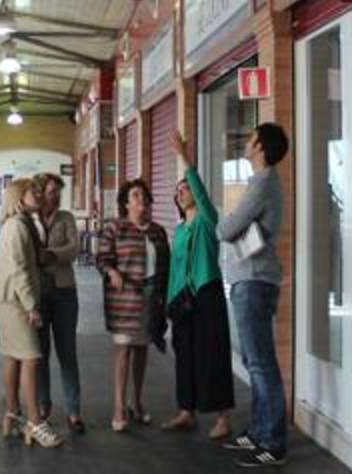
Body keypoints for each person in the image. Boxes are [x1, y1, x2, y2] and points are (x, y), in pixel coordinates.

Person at [215, 123, 290, 468]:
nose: (245, 143)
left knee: (260, 363)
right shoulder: (262, 182)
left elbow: (227, 229)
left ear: (260, 145)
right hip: (252, 279)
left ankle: (273, 441)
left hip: (254, 280)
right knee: (254, 361)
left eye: (249, 138)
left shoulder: (261, 183)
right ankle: (259, 431)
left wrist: (228, 221)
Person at [162, 130, 234, 440]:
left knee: (213, 354)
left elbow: (201, 194)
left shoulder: (207, 221)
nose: (181, 192)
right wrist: (168, 303)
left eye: (185, 188)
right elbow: (174, 271)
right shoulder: (179, 231)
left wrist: (185, 159)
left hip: (207, 294)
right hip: (183, 299)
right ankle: (186, 411)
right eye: (177, 190)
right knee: (186, 355)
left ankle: (221, 418)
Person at [0, 178, 64, 448]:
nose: (39, 194)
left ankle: (11, 415)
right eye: (34, 190)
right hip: (15, 300)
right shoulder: (18, 226)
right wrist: (32, 306)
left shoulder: (15, 223)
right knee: (31, 357)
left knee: (13, 357)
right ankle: (34, 421)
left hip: (5, 298)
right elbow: (19, 270)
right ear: (19, 197)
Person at [95, 178, 169, 433]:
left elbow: (165, 267)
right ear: (126, 203)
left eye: (144, 196)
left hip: (151, 298)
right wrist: (112, 272)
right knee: (124, 348)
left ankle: (136, 402)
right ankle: (118, 406)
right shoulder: (115, 229)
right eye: (136, 196)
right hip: (124, 299)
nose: (142, 200)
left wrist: (164, 297)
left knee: (141, 349)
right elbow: (102, 258)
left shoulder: (158, 231)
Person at [32, 172, 85, 434]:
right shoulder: (30, 219)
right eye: (53, 191)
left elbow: (74, 249)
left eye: (59, 192)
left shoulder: (66, 218)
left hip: (65, 292)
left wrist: (50, 254)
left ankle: (74, 410)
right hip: (38, 294)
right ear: (41, 192)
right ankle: (43, 406)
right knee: (40, 354)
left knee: (67, 352)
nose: (57, 196)